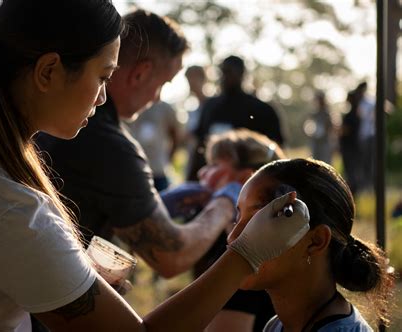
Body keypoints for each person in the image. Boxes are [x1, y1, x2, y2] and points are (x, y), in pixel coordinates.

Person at [0, 0, 312, 330]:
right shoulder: (16, 215)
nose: (100, 98)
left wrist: (67, 278)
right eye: (102, 77)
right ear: (48, 72)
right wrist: (246, 253)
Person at [36, 10, 238, 279]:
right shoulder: (108, 144)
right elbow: (173, 256)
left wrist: (156, 206)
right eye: (163, 84)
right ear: (141, 73)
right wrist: (225, 203)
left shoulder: (51, 115)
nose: (157, 98)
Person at [227, 158, 395, 331]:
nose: (233, 237)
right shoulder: (276, 325)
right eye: (237, 218)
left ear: (316, 241)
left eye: (256, 221)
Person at [161, 128, 286, 332]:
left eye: (214, 165)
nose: (202, 172)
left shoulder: (245, 258)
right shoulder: (262, 240)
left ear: (245, 179)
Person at [187, 55, 284, 181]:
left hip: (250, 180)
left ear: (242, 74)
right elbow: (200, 145)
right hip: (215, 180)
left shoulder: (261, 110)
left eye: (229, 72)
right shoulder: (210, 107)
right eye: (222, 72)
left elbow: (275, 149)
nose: (225, 77)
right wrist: (192, 179)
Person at [127, 100, 183, 191]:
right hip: (134, 170)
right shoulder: (130, 103)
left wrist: (168, 159)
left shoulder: (165, 108)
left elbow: (176, 136)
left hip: (158, 170)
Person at [304, 91, 335, 164]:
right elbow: (308, 127)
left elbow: (330, 128)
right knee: (314, 163)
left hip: (325, 142)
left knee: (326, 163)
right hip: (315, 142)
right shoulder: (313, 114)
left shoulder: (327, 114)